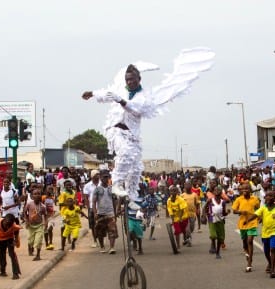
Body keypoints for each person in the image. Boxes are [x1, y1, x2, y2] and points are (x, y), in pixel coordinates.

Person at [81, 48, 214, 201]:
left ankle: (131, 197)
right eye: (127, 80)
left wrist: (120, 100)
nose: (129, 82)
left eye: (132, 79)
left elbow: (136, 108)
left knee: (136, 168)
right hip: (116, 130)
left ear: (139, 79)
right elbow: (107, 94)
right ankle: (117, 184)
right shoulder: (120, 90)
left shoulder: (145, 96)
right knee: (124, 153)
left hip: (133, 135)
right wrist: (92, 94)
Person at [232, 183, 261, 272]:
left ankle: (249, 263)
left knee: (250, 241)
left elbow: (258, 209)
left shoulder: (255, 199)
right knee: (245, 242)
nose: (245, 190)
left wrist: (259, 217)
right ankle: (246, 252)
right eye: (243, 189)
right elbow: (234, 211)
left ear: (250, 190)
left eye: (247, 189)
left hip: (252, 223)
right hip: (242, 224)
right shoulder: (239, 199)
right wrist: (241, 211)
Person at [92, 172, 118, 254]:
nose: (106, 179)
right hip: (100, 213)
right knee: (100, 232)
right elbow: (93, 202)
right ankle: (102, 247)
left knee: (112, 230)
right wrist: (95, 213)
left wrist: (115, 212)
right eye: (104, 177)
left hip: (110, 213)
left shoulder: (112, 189)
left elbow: (114, 201)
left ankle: (112, 247)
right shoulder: (97, 189)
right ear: (101, 178)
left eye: (107, 177)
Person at [0, 213, 21, 280]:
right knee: (1, 255)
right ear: (4, 220)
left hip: (9, 238)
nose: (7, 227)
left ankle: (15, 273)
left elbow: (17, 230)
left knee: (12, 255)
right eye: (6, 224)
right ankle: (2, 270)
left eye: (9, 225)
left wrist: (15, 240)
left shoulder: (13, 226)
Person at [203, 186, 228, 259]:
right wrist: (203, 215)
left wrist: (227, 213)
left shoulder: (223, 202)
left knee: (221, 238)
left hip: (220, 221)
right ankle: (213, 244)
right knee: (213, 235)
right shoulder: (210, 200)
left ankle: (218, 252)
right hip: (212, 220)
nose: (217, 191)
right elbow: (204, 208)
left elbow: (223, 213)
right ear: (213, 192)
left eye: (219, 190)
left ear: (221, 193)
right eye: (215, 190)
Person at [22, 188, 47, 261]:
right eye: (35, 194)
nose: (37, 195)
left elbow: (45, 215)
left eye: (38, 194)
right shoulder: (29, 204)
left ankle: (38, 255)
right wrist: (26, 220)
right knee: (30, 240)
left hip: (39, 225)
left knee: (39, 240)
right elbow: (25, 212)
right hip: (31, 225)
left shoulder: (43, 206)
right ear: (32, 196)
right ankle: (30, 248)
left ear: (41, 196)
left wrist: (46, 223)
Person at [167, 186, 190, 251]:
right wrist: (172, 219)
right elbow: (170, 210)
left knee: (183, 230)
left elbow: (182, 210)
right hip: (175, 218)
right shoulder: (168, 200)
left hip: (183, 216)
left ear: (177, 192)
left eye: (174, 191)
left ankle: (185, 237)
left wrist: (180, 218)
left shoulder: (180, 199)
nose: (173, 192)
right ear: (170, 192)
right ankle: (178, 245)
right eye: (171, 191)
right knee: (177, 231)